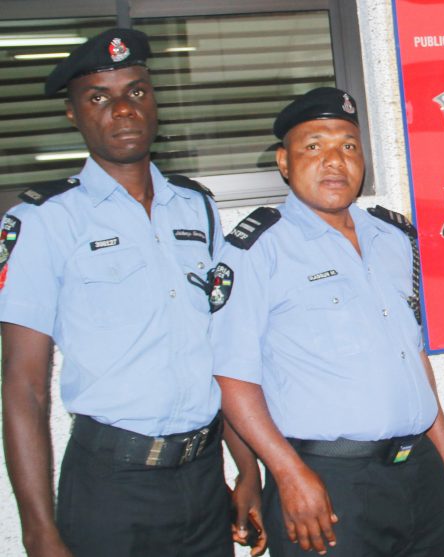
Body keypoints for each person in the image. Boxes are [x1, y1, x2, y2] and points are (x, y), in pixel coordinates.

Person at [0, 28, 264, 556]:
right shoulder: (44, 220)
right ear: (73, 113)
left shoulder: (197, 207)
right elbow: (23, 387)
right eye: (99, 97)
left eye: (136, 91)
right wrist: (38, 530)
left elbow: (219, 351)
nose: (123, 109)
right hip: (110, 488)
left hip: (202, 479)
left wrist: (247, 470)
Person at [210, 86, 444, 556]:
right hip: (327, 483)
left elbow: (410, 356)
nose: (334, 160)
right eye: (313, 146)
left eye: (348, 146)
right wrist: (288, 474)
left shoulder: (393, 237)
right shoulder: (258, 249)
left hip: (419, 471)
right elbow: (231, 378)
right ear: (283, 161)